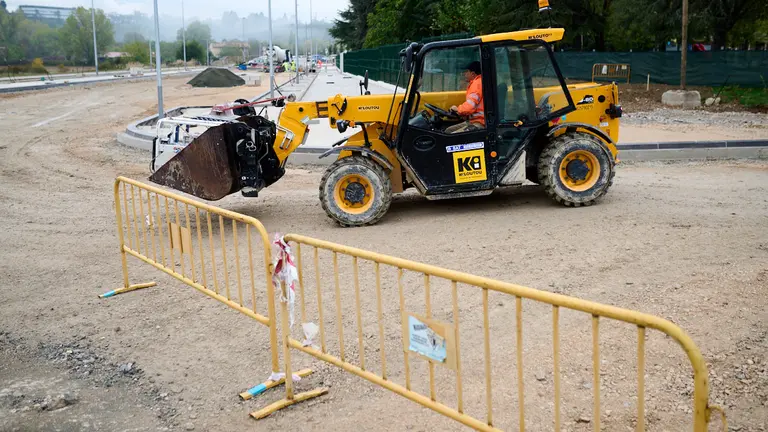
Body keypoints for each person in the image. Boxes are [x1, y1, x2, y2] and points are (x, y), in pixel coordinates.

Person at [445, 61, 485, 134]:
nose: (464, 74)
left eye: (466, 72)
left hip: (480, 123)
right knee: (448, 131)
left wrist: (457, 109)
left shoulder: (477, 84)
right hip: (474, 120)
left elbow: (470, 106)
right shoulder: (479, 82)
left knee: (451, 137)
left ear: (472, 74)